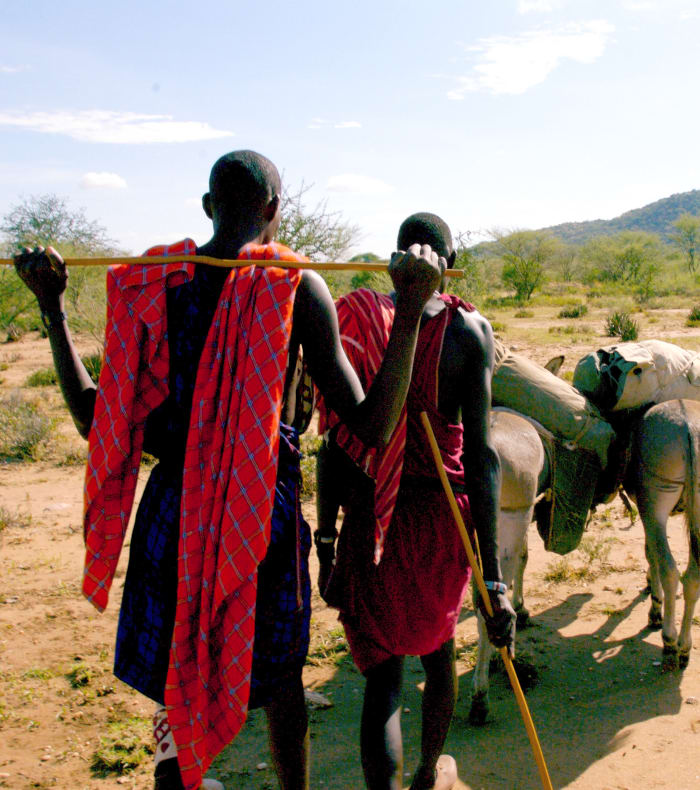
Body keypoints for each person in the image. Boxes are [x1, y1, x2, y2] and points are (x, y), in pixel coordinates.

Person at [13, 153, 445, 790]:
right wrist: (409, 311)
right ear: (274, 211)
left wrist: (52, 306)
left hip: (172, 510)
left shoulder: (154, 285)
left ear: (208, 207)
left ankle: (177, 776)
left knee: (173, 662)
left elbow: (91, 417)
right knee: (282, 681)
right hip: (259, 511)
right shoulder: (295, 286)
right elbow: (374, 425)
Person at [315, 212, 516, 790]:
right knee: (439, 655)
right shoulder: (470, 332)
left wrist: (326, 542)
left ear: (397, 263)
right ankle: (429, 773)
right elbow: (481, 458)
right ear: (446, 267)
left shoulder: (357, 317)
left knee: (383, 683)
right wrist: (493, 582)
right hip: (438, 523)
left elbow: (334, 444)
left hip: (369, 516)